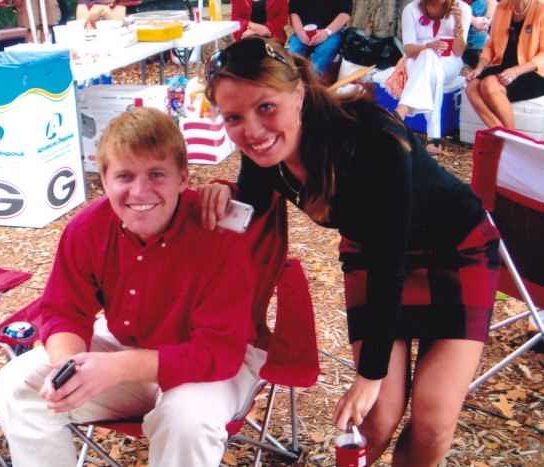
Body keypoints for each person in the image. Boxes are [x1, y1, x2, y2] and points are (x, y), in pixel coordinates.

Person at [200, 37, 501, 465]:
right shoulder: (264, 152)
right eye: (233, 116)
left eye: (266, 107)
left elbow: (388, 265)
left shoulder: (372, 138)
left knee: (432, 420)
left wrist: (369, 374)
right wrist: (222, 190)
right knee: (376, 421)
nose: (251, 130)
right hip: (372, 252)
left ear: (298, 93)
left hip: (456, 248)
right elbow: (251, 197)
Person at [0, 107, 266, 467]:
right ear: (104, 180)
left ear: (182, 178)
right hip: (131, 347)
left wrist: (118, 368)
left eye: (156, 174)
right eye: (124, 175)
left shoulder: (218, 236)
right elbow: (63, 311)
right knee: (15, 386)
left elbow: (218, 353)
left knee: (185, 422)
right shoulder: (87, 229)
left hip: (212, 368)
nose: (139, 191)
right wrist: (69, 368)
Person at [394, 0, 472, 155]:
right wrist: (428, 47)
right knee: (432, 64)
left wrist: (458, 24)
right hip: (417, 60)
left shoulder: (462, 9)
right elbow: (409, 50)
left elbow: (458, 52)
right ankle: (433, 136)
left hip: (449, 62)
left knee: (433, 66)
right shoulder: (411, 9)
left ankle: (400, 112)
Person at [464, 0, 544, 129]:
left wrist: (516, 71)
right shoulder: (502, 6)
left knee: (490, 84)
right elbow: (490, 45)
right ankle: (504, 134)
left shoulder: (541, 8)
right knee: (471, 87)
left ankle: (509, 138)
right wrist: (479, 68)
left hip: (534, 70)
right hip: (505, 65)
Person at [287, 0, 352, 77]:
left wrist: (326, 32)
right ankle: (291, 82)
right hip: (304, 30)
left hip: (331, 31)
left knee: (325, 51)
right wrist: (300, 31)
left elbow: (345, 13)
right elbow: (293, 11)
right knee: (294, 51)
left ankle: (311, 83)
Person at [463, 0, 498, 68]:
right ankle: (470, 51)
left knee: (482, 4)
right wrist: (473, 20)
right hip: (453, 15)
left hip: (474, 16)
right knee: (480, 5)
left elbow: (492, 2)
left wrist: (486, 20)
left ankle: (476, 50)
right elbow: (452, 5)